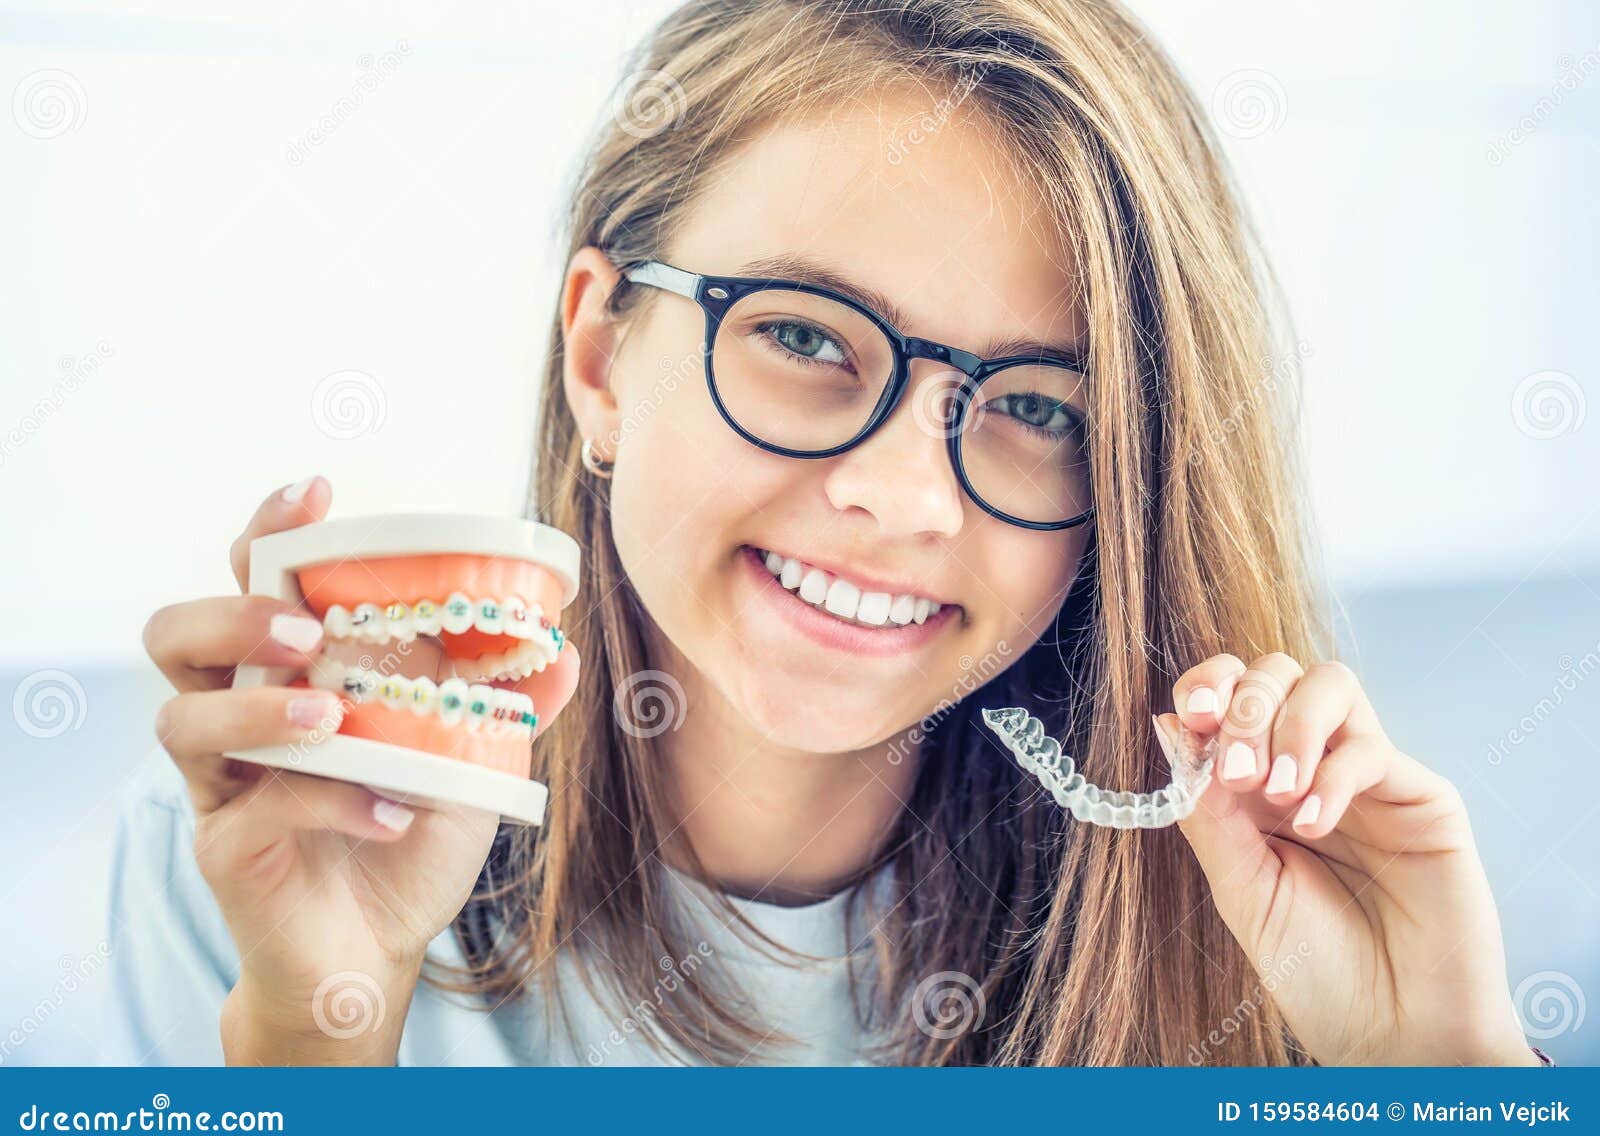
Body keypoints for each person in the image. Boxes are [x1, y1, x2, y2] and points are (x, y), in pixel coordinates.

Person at [115, 0, 1539, 1066]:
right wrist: (319, 1028)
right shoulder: (265, 846)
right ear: (603, 358)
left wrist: (1446, 1081)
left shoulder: (1242, 928)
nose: (907, 497)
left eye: (1039, 408)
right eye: (804, 334)